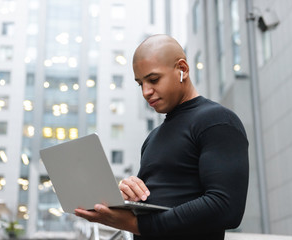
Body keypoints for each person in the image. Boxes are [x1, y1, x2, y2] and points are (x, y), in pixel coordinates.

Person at [75, 34, 249, 240]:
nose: (146, 92)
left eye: (154, 79)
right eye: (140, 83)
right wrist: (129, 197)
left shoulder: (217, 121)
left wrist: (137, 225)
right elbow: (158, 204)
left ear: (182, 69)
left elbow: (225, 207)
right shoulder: (153, 138)